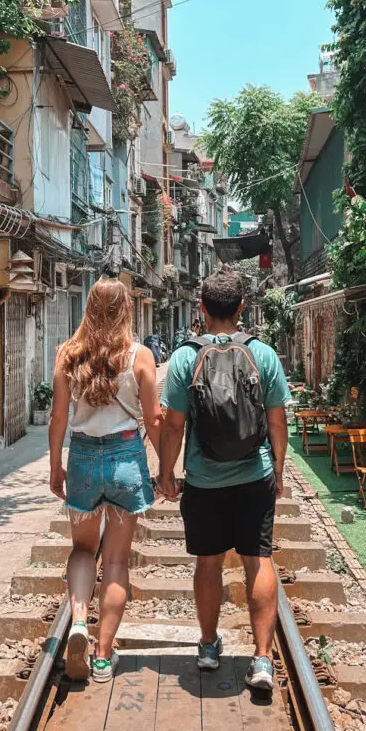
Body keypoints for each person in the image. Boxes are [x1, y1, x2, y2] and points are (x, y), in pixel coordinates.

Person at [158, 268, 291, 692]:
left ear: (201, 309)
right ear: (241, 308)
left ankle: (209, 645)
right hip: (255, 475)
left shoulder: (183, 357)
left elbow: (174, 425)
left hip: (204, 479)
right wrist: (280, 471)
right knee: (258, 560)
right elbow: (277, 421)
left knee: (208, 562)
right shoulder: (264, 354)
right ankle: (263, 658)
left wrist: (167, 473)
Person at [49, 279, 162, 684]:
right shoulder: (140, 356)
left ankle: (79, 620)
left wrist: (54, 467)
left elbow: (59, 418)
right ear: (126, 310)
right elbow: (153, 420)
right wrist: (166, 468)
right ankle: (101, 655)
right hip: (125, 457)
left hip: (81, 457)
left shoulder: (68, 354)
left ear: (88, 308)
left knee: (82, 549)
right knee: (114, 561)